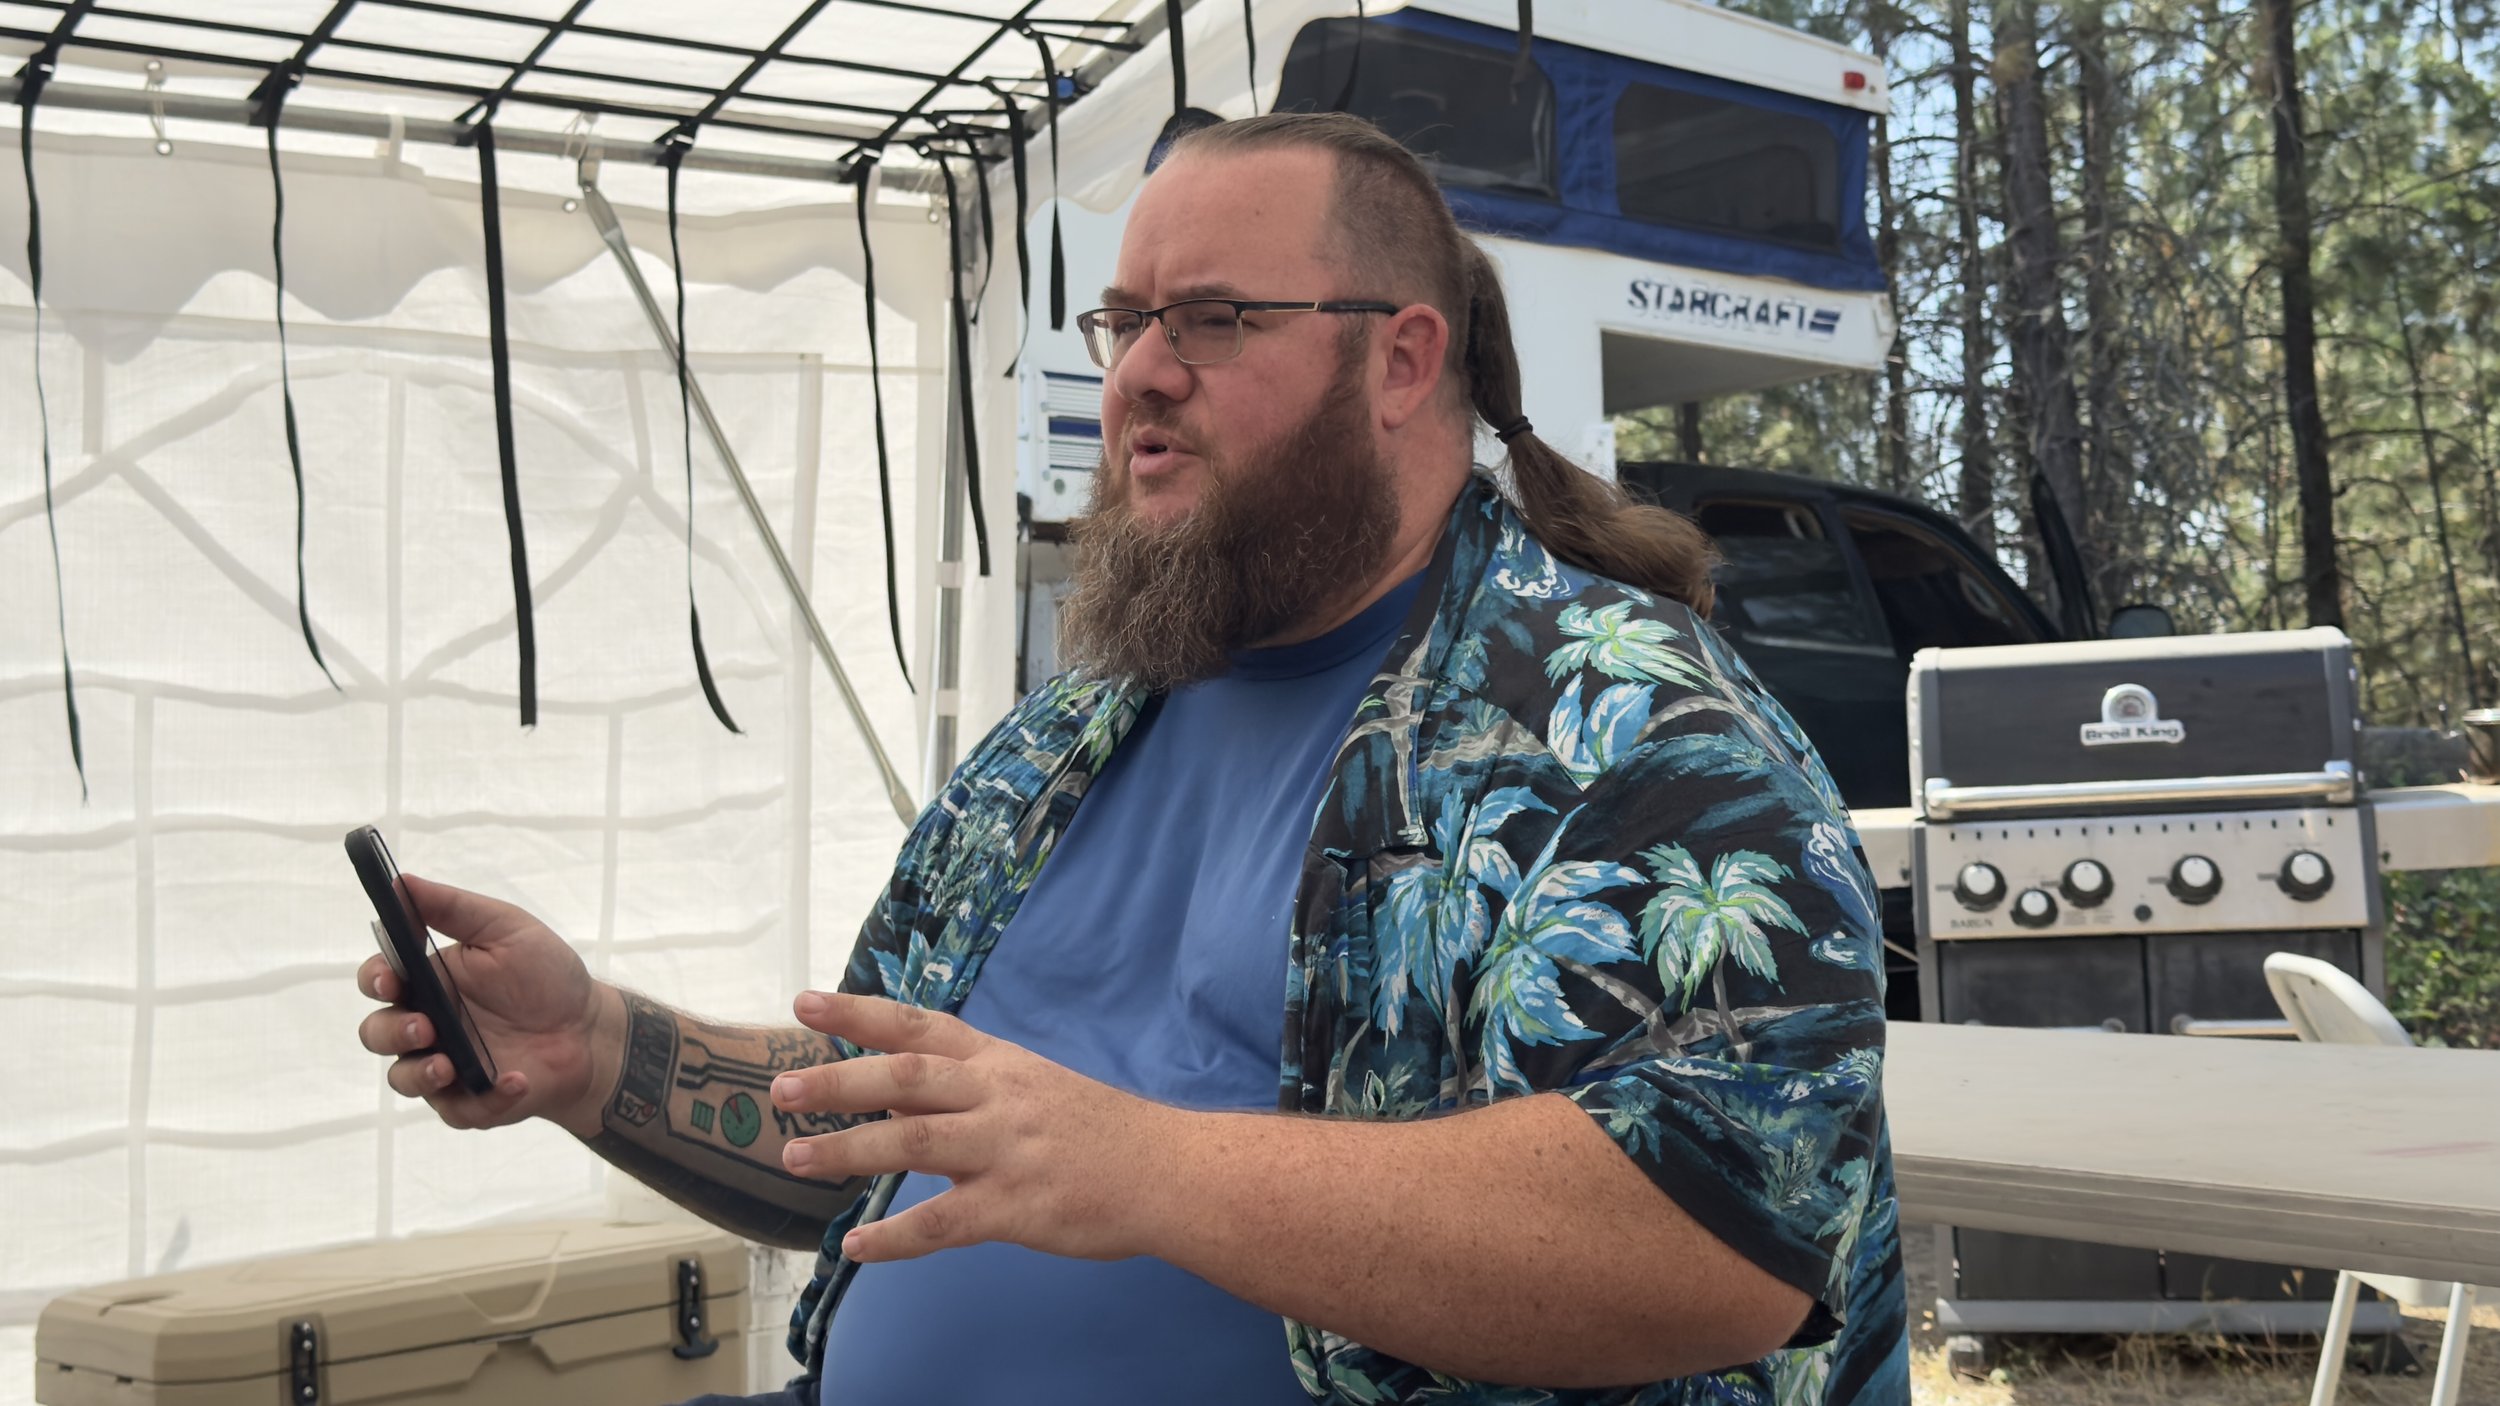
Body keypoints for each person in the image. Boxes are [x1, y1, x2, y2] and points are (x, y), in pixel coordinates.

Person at [354, 111, 1908, 1405]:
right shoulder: (1066, 737)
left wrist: (1148, 1167)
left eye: (1212, 320)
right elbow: (905, 1128)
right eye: (1125, 321)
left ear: (1402, 361)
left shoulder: (1621, 721)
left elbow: (1724, 1238)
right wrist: (596, 1051)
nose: (1139, 375)